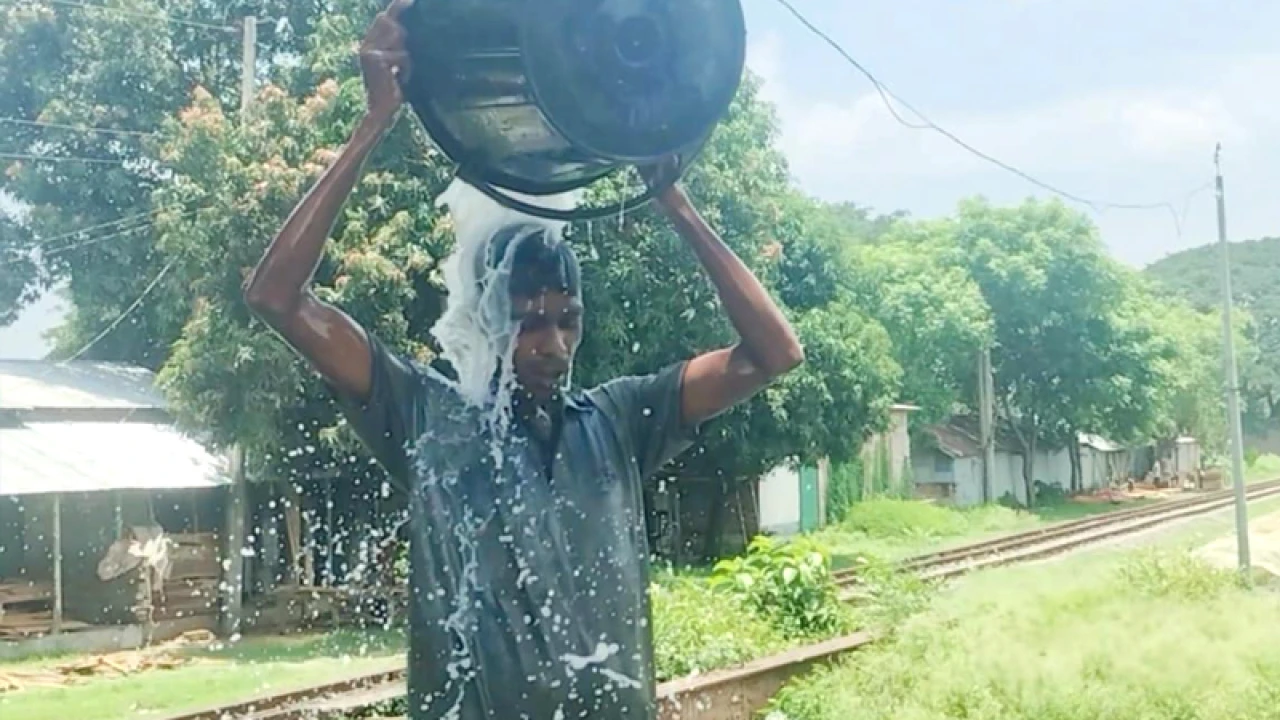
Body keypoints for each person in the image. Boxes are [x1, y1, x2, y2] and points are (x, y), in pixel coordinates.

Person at [242, 1, 804, 718]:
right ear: (484, 320)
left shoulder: (622, 420)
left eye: (567, 320)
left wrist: (674, 203)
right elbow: (277, 299)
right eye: (528, 322)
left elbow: (775, 352)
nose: (553, 344)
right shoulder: (426, 416)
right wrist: (373, 123)